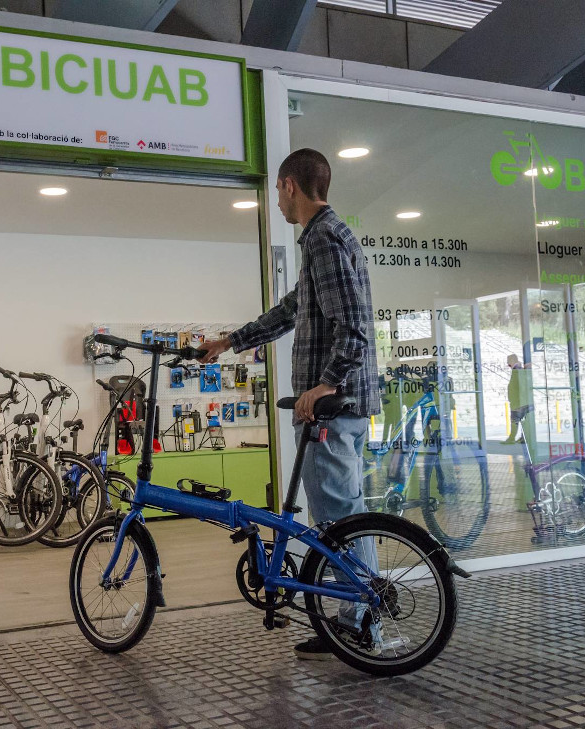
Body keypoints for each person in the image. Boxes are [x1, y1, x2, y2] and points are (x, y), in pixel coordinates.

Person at [200, 148, 380, 660]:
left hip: (334, 406)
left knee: (339, 515)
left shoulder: (324, 237)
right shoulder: (325, 238)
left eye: (277, 193)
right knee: (343, 511)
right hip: (338, 405)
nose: (277, 202)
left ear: (288, 187)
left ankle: (358, 618)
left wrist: (325, 385)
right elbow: (293, 309)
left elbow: (355, 326)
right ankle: (355, 614)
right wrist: (232, 341)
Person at [502, 353, 534, 445]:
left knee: (514, 420)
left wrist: (513, 398)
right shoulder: (521, 370)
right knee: (524, 421)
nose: (508, 364)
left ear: (512, 361)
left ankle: (512, 438)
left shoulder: (517, 370)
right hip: (524, 400)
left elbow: (517, 386)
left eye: (508, 362)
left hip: (518, 401)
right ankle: (523, 438)